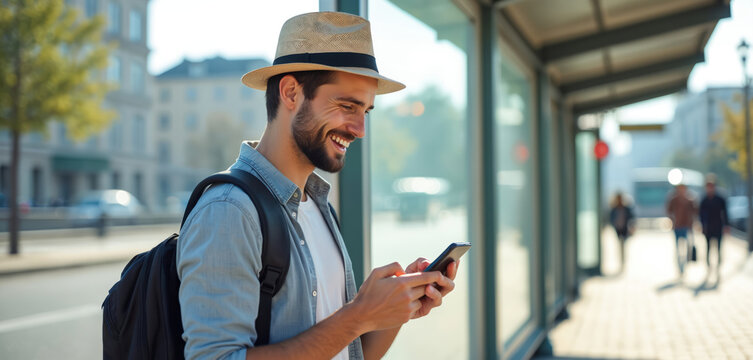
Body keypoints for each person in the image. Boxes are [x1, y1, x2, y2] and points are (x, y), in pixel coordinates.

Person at [176, 12, 457, 360]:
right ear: (291, 92)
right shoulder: (229, 211)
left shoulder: (320, 206)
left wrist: (391, 311)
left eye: (366, 111)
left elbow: (347, 352)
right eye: (346, 106)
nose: (359, 129)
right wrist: (357, 316)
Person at [699, 174, 728, 277]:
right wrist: (701, 225)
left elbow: (725, 213)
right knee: (708, 247)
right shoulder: (704, 200)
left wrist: (726, 226)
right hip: (708, 228)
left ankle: (718, 265)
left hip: (718, 226)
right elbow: (701, 215)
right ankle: (708, 265)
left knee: (719, 248)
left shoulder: (720, 199)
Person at [666, 184, 697, 275]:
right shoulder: (673, 200)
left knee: (686, 245)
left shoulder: (689, 200)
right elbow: (669, 211)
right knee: (678, 246)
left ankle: (685, 263)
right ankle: (679, 263)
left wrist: (692, 223)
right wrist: (672, 220)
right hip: (677, 226)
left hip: (686, 226)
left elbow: (695, 212)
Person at [609, 192, 634, 272]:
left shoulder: (626, 208)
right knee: (620, 244)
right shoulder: (614, 208)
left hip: (624, 228)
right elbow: (611, 218)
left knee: (623, 244)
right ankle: (621, 259)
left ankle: (623, 260)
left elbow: (631, 217)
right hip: (618, 228)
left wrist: (631, 226)